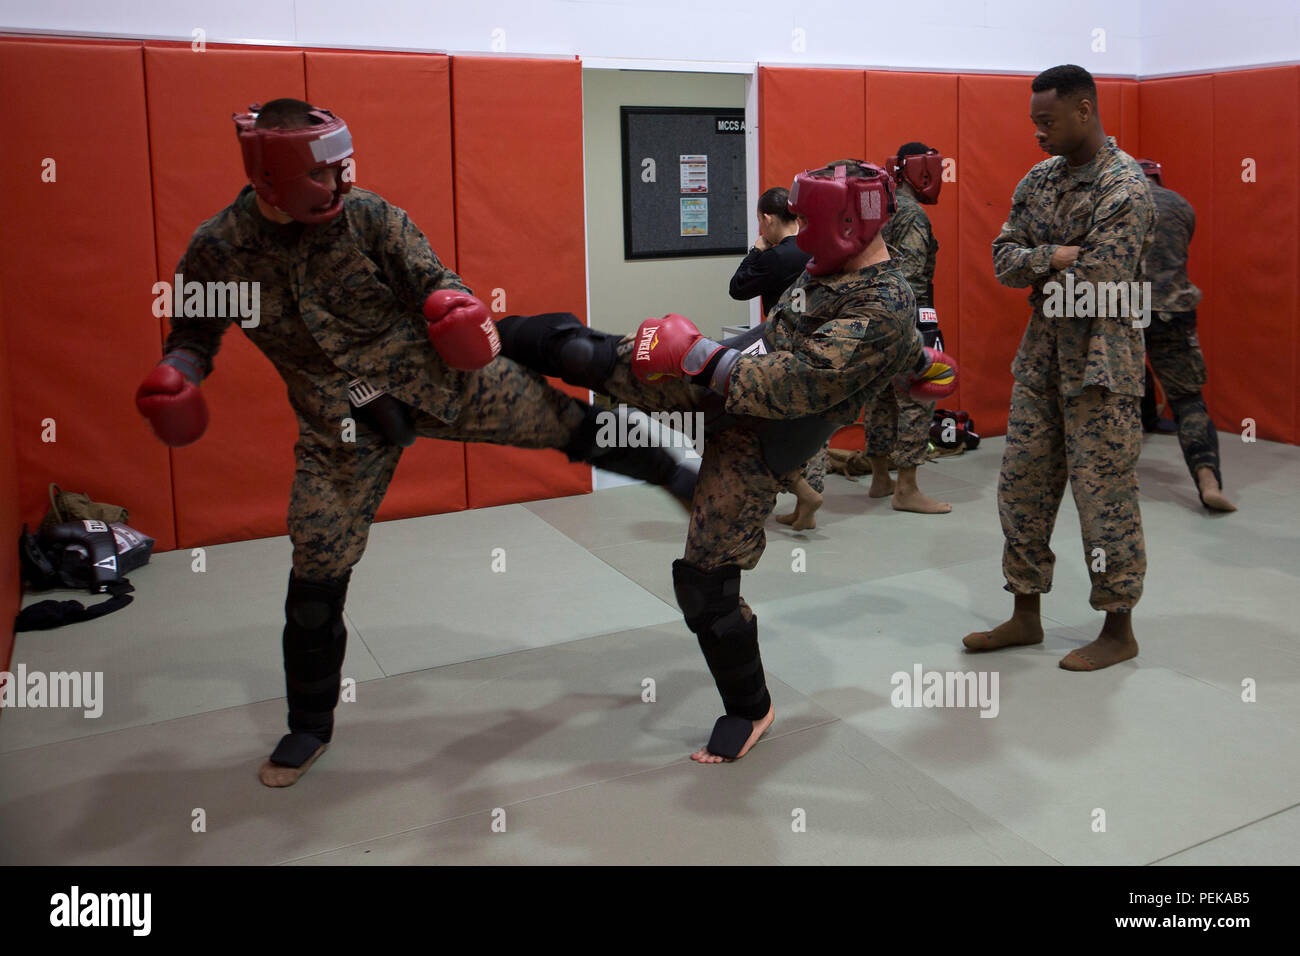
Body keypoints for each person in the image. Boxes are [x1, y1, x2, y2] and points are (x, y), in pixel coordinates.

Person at [135, 99, 695, 788]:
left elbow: (436, 281)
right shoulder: (219, 251)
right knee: (315, 572)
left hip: (437, 382)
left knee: (568, 424)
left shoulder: (368, 215)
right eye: (322, 174)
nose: (339, 184)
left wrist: (452, 310)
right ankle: (309, 726)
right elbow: (194, 335)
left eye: (342, 168)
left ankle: (674, 473)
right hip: (339, 423)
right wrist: (178, 375)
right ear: (272, 177)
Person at [495, 160, 957, 761]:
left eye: (807, 220)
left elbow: (800, 380)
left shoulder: (885, 303)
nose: (798, 230)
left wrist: (697, 354)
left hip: (762, 433)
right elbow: (880, 347)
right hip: (730, 373)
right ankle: (485, 331)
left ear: (847, 223)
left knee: (706, 583)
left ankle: (750, 706)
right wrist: (921, 366)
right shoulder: (835, 268)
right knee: (589, 353)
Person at [963, 65, 1154, 672]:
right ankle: (1025, 613)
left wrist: (1051, 268)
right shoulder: (1039, 180)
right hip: (1041, 362)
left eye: (1047, 121)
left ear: (1085, 109)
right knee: (1022, 487)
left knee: (1104, 499)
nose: (1038, 133)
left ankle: (1118, 627)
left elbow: (1100, 279)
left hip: (1101, 367)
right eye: (1033, 122)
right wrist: (1054, 256)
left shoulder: (1124, 186)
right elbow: (1003, 260)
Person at [1137, 158, 1235, 512]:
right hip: (1173, 311)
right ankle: (1208, 481)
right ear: (1159, 178)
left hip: (1123, 311)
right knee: (1187, 399)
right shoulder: (1180, 205)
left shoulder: (1114, 202)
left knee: (1116, 390)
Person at [861, 142, 952, 514]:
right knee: (917, 398)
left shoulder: (878, 206)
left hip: (873, 317)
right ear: (922, 171)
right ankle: (907, 489)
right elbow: (911, 274)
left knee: (880, 397)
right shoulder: (912, 214)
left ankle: (880, 479)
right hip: (907, 317)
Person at [728, 188, 823, 530]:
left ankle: (795, 493)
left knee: (771, 423)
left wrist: (756, 250)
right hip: (819, 346)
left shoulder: (774, 258)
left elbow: (737, 287)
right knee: (810, 422)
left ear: (767, 219)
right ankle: (808, 493)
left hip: (782, 350)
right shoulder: (817, 250)